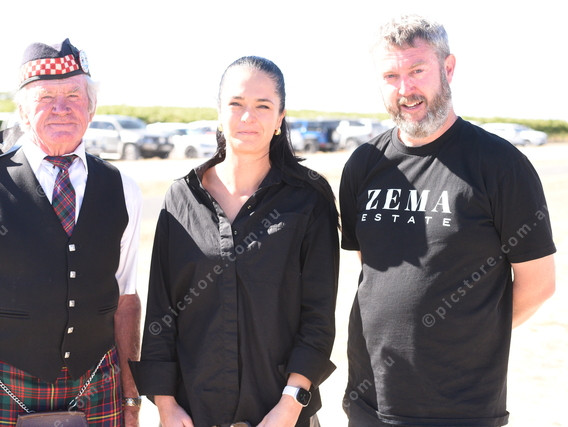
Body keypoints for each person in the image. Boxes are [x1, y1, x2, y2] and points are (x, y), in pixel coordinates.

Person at [339, 14, 556, 427]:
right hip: (370, 402)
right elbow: (372, 269)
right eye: (391, 76)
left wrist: (470, 333)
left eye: (417, 71)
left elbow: (539, 283)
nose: (405, 89)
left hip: (461, 409)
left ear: (448, 68)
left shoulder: (499, 165)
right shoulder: (364, 164)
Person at [0, 39, 143, 426]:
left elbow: (126, 302)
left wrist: (131, 398)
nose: (61, 108)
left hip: (98, 387)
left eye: (73, 95)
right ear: (23, 111)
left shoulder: (123, 188)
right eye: (45, 97)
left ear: (91, 107)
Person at [129, 56, 340, 427]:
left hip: (282, 415)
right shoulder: (181, 198)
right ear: (219, 112)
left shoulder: (309, 200)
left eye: (263, 106)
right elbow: (162, 311)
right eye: (236, 104)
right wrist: (166, 405)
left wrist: (290, 405)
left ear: (280, 118)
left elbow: (318, 318)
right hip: (192, 416)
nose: (247, 117)